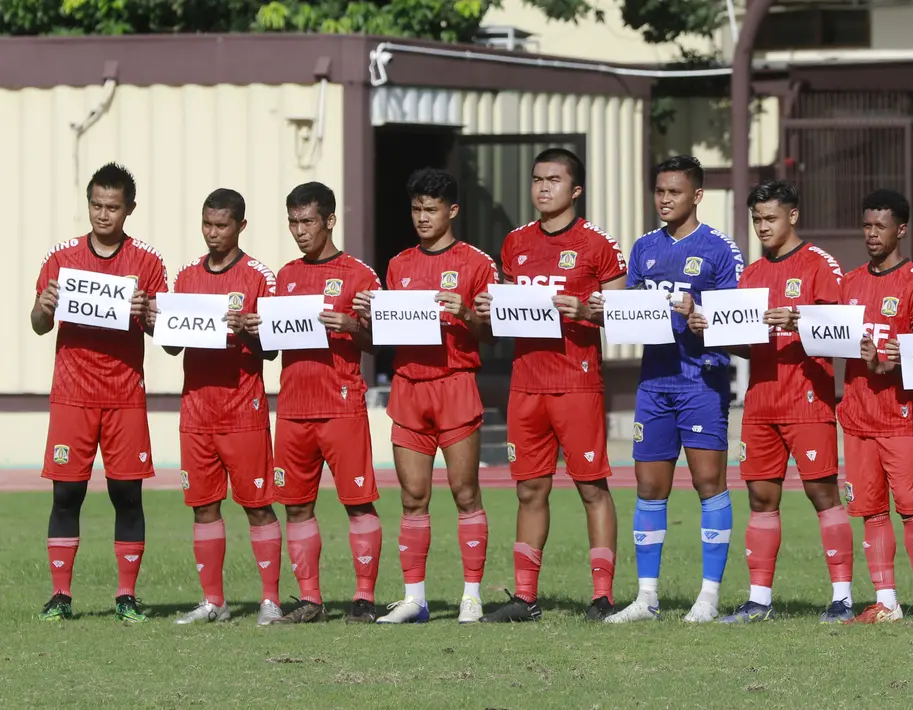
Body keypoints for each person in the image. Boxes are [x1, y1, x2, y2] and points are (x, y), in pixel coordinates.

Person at [687, 180, 856, 623]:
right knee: (761, 498)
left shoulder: (821, 264)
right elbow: (747, 345)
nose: (762, 227)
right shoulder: (752, 275)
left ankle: (842, 598)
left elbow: (843, 333)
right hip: (760, 402)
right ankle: (759, 600)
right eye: (757, 219)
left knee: (822, 492)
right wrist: (714, 333)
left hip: (806, 399)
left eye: (770, 218)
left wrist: (800, 320)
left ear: (793, 216)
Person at [473, 148, 627, 622]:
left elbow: (619, 314)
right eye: (538, 179)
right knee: (528, 491)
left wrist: (588, 312)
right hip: (526, 386)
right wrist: (487, 309)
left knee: (592, 488)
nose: (543, 187)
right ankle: (525, 597)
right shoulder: (515, 242)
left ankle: (602, 596)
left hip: (577, 383)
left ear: (575, 189)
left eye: (554, 180)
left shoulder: (598, 245)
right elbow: (507, 309)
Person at [352, 169, 497, 624]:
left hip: (455, 384)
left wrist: (469, 314)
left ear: (451, 210)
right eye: (416, 209)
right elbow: (389, 333)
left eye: (430, 209)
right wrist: (368, 318)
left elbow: (493, 333)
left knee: (464, 491)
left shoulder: (477, 263)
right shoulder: (397, 265)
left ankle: (471, 595)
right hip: (409, 387)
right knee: (413, 496)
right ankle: (415, 598)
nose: (422, 217)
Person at [603, 156, 743, 624]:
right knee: (648, 486)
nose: (665, 199)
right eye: (660, 191)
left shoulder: (721, 250)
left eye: (675, 192)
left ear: (697, 196)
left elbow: (736, 320)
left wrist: (697, 311)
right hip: (654, 383)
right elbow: (627, 310)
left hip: (701, 379)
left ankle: (707, 598)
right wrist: (610, 306)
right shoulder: (643, 248)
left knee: (708, 484)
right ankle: (647, 598)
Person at [244, 182, 384, 624]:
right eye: (293, 222)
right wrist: (254, 328)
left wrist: (351, 325)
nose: (299, 231)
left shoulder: (360, 275)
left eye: (307, 221)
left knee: (357, 502)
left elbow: (383, 342)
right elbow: (271, 344)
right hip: (292, 408)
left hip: (341, 404)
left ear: (330, 220)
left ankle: (363, 598)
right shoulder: (283, 277)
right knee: (297, 504)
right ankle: (311, 600)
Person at [34, 162, 167, 623]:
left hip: (125, 396)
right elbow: (37, 324)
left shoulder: (148, 262)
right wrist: (44, 305)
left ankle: (126, 597)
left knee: (127, 496)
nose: (103, 215)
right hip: (72, 393)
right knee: (66, 495)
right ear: (88, 203)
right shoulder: (62, 256)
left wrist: (148, 311)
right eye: (96, 205)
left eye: (113, 207)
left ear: (130, 208)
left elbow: (167, 337)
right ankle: (60, 596)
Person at [153, 189, 283, 625]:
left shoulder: (259, 277)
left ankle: (270, 600)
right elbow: (171, 346)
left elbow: (270, 350)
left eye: (221, 225)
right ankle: (214, 602)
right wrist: (154, 322)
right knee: (204, 506)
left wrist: (247, 332)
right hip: (197, 412)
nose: (212, 233)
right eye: (207, 224)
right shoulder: (187, 276)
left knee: (257, 506)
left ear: (240, 226)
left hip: (242, 410)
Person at [837, 189, 913, 624]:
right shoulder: (851, 281)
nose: (871, 234)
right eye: (866, 225)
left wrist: (891, 358)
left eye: (880, 226)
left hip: (898, 415)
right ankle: (887, 600)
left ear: (900, 229)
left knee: (909, 505)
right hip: (857, 415)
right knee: (870, 510)